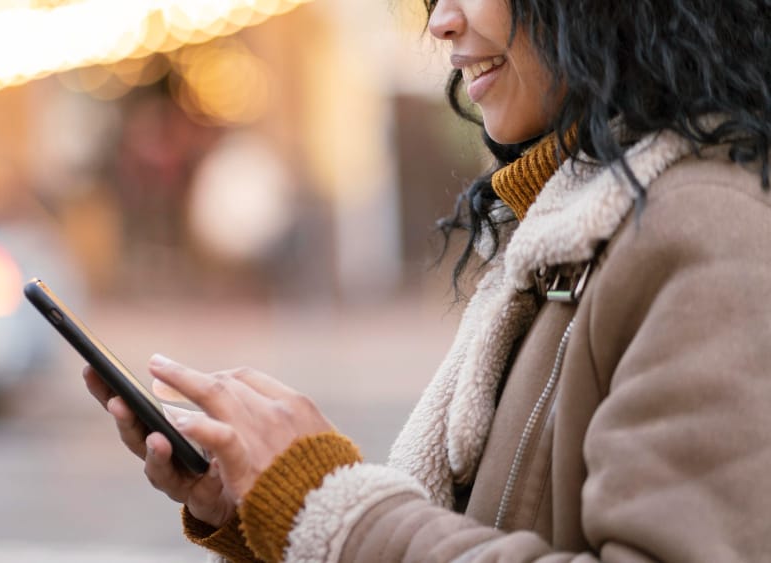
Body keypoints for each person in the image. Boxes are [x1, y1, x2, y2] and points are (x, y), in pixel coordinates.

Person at [84, 0, 771, 560]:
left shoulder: (707, 222)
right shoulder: (570, 220)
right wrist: (261, 504)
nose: (440, 21)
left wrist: (324, 502)